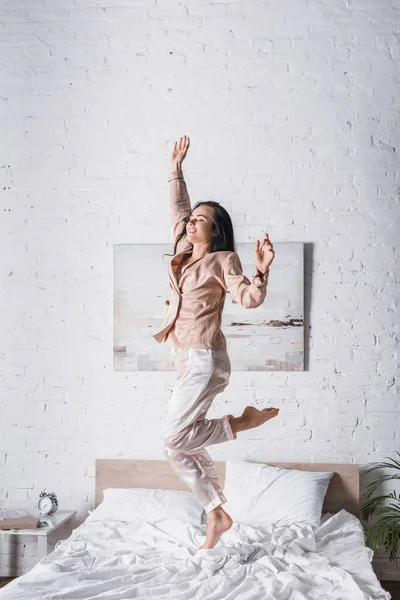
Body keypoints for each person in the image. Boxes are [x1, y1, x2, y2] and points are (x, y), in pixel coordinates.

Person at [153, 135, 279, 550]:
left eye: (201, 220)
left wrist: (260, 271)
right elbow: (178, 207)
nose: (192, 222)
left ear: (216, 229)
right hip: (186, 359)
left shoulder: (223, 260)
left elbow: (249, 298)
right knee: (179, 448)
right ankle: (217, 514)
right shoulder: (182, 249)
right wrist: (176, 168)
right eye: (193, 219)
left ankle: (241, 422)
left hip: (206, 358)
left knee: (173, 438)